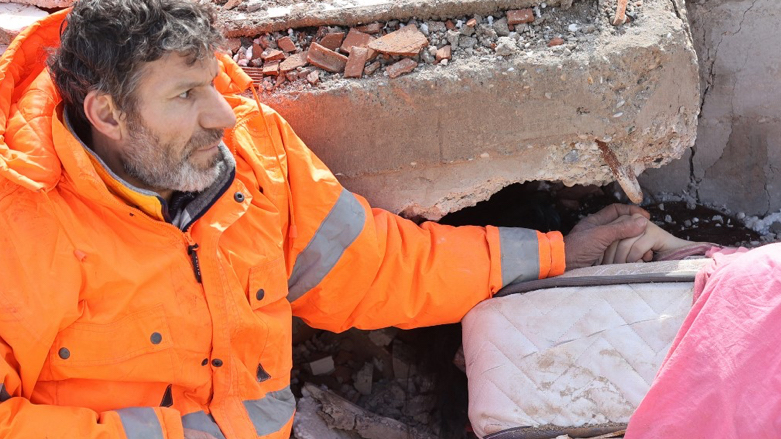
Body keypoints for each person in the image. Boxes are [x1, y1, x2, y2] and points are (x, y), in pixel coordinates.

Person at [0, 0, 650, 437]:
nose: (222, 116)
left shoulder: (253, 155)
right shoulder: (17, 220)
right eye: (185, 95)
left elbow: (376, 267)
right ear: (107, 115)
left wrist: (558, 253)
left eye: (212, 84)